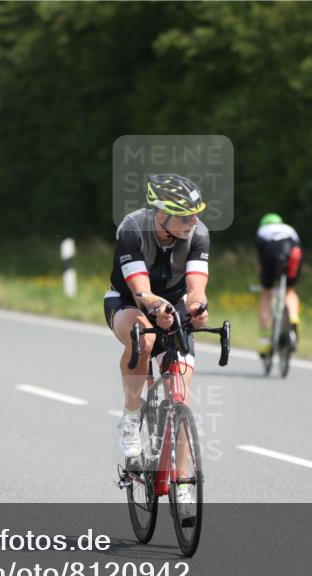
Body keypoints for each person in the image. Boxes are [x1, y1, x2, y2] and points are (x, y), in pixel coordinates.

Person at [105, 173, 210, 517]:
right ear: (161, 214)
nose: (192, 222)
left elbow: (196, 286)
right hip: (128, 301)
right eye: (185, 216)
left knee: (181, 394)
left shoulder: (198, 233)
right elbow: (140, 290)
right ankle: (130, 417)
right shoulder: (133, 229)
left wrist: (197, 307)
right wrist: (155, 307)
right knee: (145, 338)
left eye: (195, 214)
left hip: (173, 303)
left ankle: (182, 483)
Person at [256, 212, 302, 355]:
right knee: (290, 290)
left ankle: (265, 338)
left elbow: (262, 262)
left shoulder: (262, 231)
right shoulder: (289, 229)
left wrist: (264, 280)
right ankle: (293, 318)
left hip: (272, 249)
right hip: (294, 250)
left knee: (265, 294)